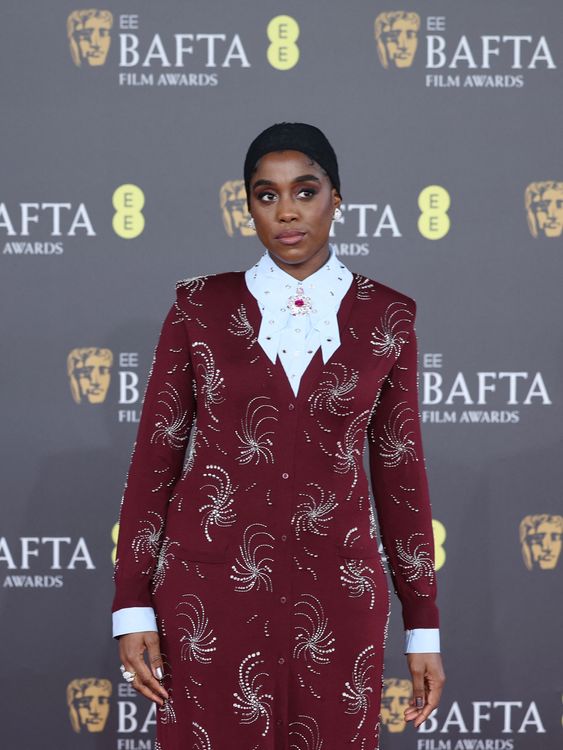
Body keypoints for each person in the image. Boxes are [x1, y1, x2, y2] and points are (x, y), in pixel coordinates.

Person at [112, 121, 446, 749]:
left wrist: (422, 624)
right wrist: (131, 605)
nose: (287, 212)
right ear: (248, 208)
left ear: (337, 199)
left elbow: (400, 475)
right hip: (208, 596)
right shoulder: (199, 309)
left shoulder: (388, 315)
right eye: (266, 195)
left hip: (338, 595)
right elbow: (154, 460)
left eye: (306, 191)